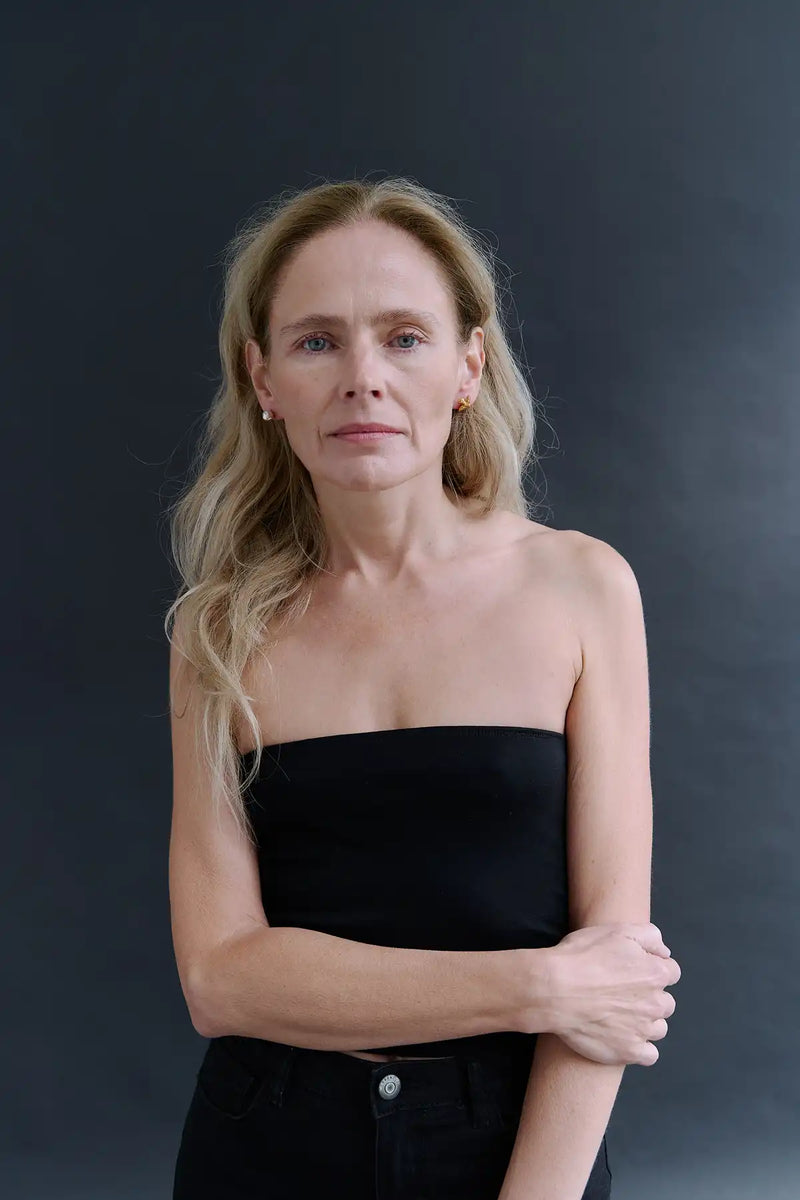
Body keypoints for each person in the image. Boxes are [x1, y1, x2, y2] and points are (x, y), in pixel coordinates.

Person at [166, 176, 681, 1200]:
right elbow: (220, 979)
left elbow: (614, 976)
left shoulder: (581, 587)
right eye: (317, 342)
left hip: (515, 1149)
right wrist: (538, 986)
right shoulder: (216, 634)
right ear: (263, 378)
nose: (362, 378)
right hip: (265, 1144)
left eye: (404, 337)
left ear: (467, 367)